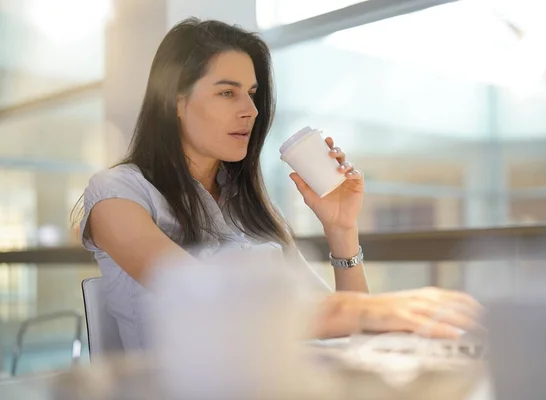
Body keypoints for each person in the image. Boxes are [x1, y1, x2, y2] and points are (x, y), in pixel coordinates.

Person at [74, 18, 480, 351]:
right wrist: (364, 313)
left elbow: (346, 327)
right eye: (227, 93)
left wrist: (341, 229)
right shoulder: (118, 194)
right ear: (175, 102)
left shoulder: (249, 207)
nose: (250, 110)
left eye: (251, 93)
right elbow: (211, 304)